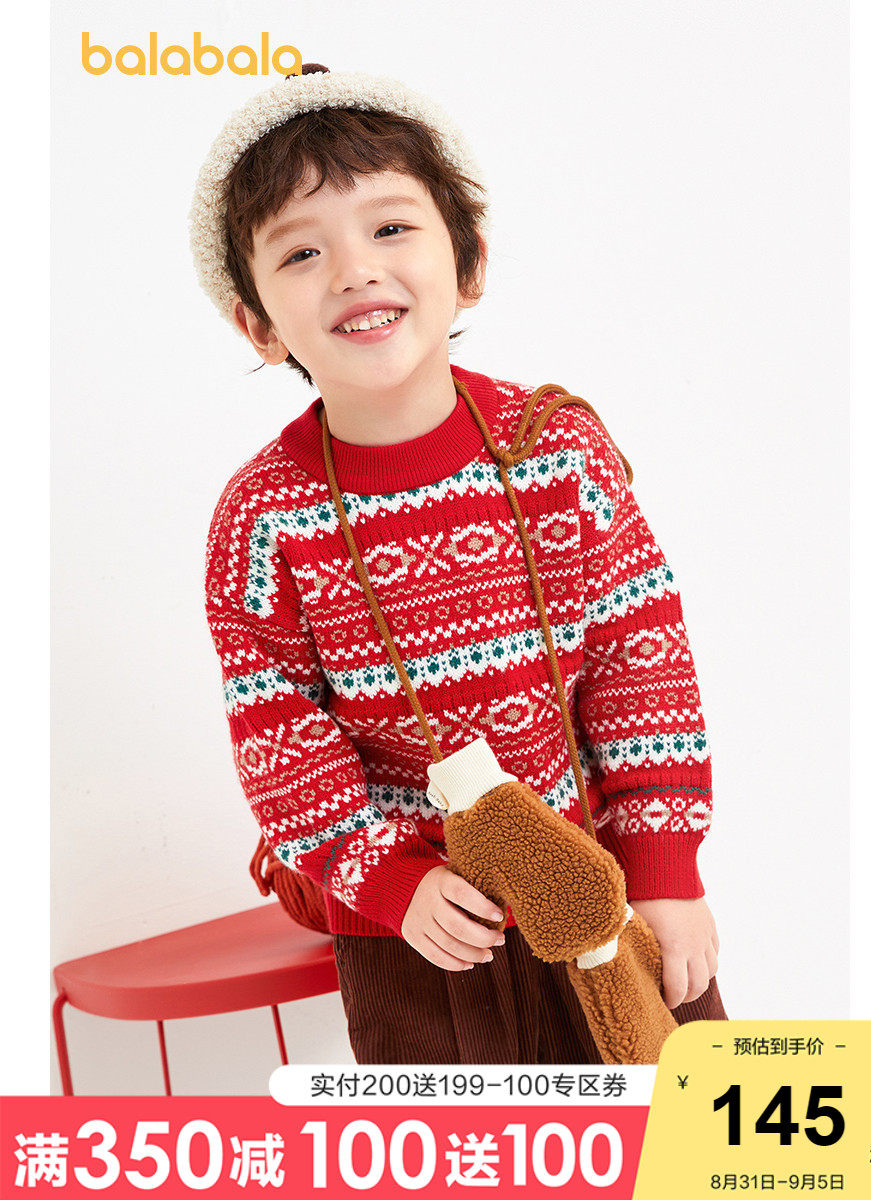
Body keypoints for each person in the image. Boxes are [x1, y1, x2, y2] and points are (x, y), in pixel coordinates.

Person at [192, 63, 725, 1065]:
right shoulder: (263, 519)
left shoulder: (554, 450)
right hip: (422, 929)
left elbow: (640, 661)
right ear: (257, 323)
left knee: (689, 1131)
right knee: (460, 1140)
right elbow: (280, 733)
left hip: (601, 889)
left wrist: (665, 866)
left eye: (391, 228)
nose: (354, 270)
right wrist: (391, 883)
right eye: (302, 252)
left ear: (469, 262)